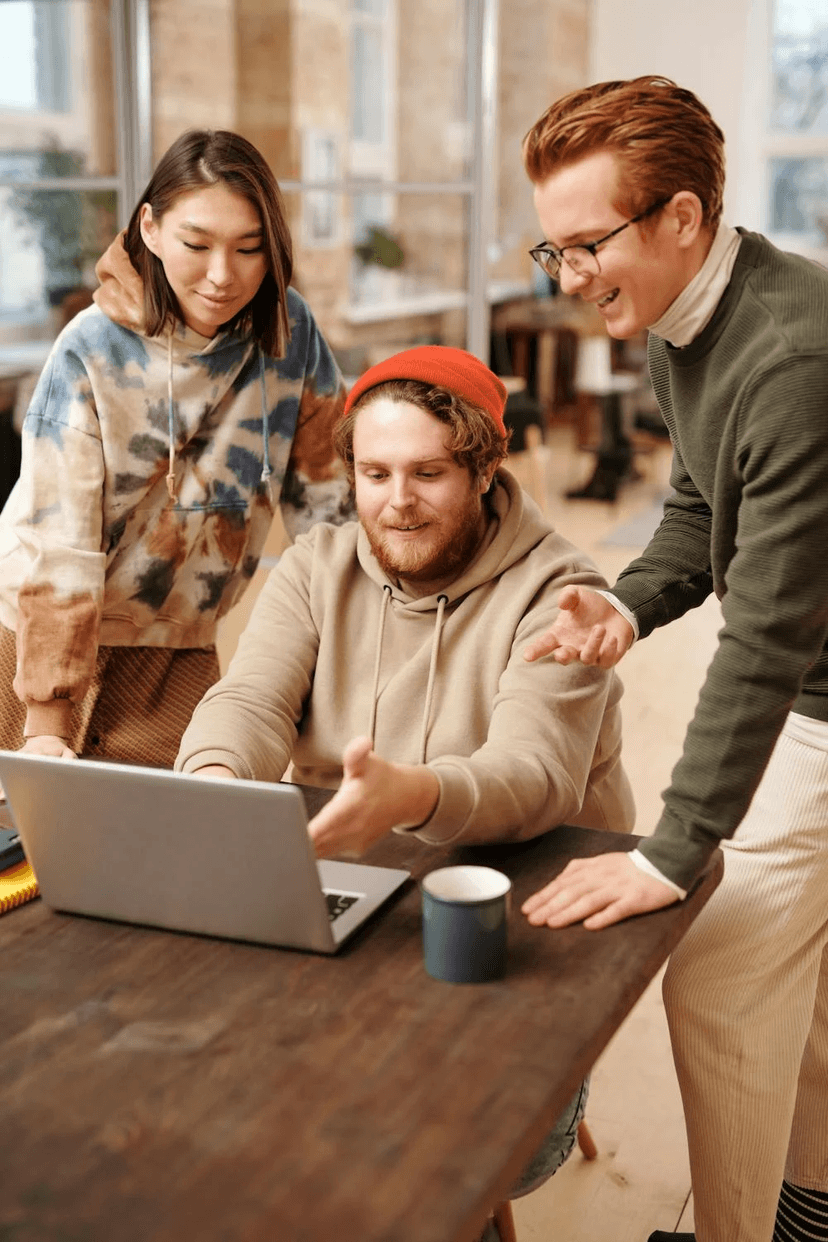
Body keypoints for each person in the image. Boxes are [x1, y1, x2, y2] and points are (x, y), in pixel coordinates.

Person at [175, 345, 635, 1229]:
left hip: (520, 906)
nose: (397, 501)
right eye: (375, 473)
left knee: (465, 1154)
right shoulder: (316, 566)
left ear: (484, 468)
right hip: (357, 881)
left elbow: (535, 774)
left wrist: (412, 796)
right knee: (226, 1085)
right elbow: (250, 700)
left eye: (428, 473)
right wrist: (216, 783)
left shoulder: (564, 593)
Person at [518, 75, 828, 1242]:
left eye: (588, 245)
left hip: (819, 691)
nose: (569, 276)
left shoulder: (791, 354)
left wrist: (672, 850)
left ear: (683, 217)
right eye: (553, 250)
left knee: (724, 971)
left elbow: (773, 631)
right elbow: (701, 505)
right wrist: (626, 604)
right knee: (807, 988)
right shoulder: (680, 324)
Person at [0, 129, 353, 770]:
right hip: (32, 643)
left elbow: (331, 511)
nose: (222, 275)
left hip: (179, 646)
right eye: (196, 244)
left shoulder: (290, 333)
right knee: (26, 835)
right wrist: (47, 719)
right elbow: (61, 542)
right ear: (151, 229)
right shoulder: (90, 349)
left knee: (176, 826)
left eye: (249, 249)